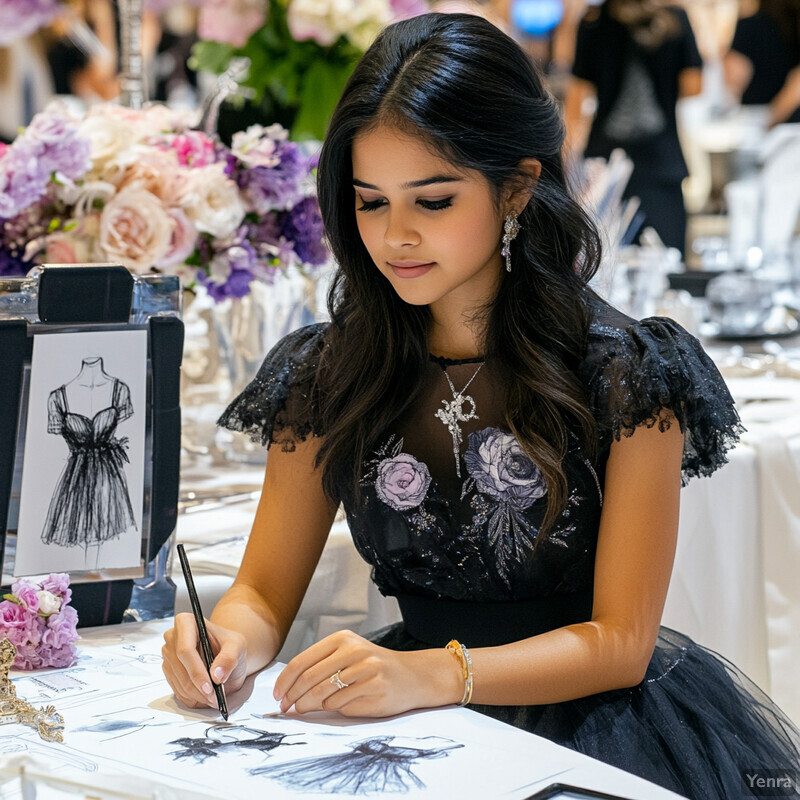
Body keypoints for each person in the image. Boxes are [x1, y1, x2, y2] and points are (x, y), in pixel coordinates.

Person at [162, 13, 800, 799]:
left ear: (517, 189)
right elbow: (261, 592)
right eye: (369, 202)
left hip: (592, 727)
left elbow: (622, 643)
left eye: (432, 202)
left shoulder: (628, 373)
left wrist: (436, 674)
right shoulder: (327, 371)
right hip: (407, 714)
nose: (394, 236)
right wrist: (221, 642)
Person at [564, 0, 703, 255]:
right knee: (665, 264)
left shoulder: (594, 20)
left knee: (602, 263)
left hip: (605, 167)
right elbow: (693, 86)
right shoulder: (674, 19)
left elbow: (577, 98)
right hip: (661, 165)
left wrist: (566, 159)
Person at [724, 0, 800, 126]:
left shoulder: (748, 26)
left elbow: (734, 77)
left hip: (757, 119)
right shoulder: (792, 27)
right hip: (789, 121)